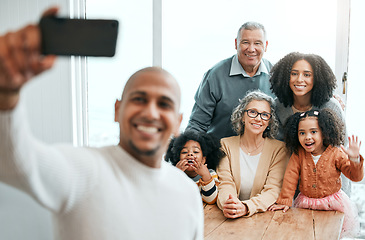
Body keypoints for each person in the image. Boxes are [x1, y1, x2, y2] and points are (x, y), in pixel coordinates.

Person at [0, 8, 203, 240]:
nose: (150, 112)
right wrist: (6, 94)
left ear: (178, 122)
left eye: (164, 104)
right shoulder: (85, 170)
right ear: (117, 110)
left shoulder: (187, 193)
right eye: (139, 99)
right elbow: (17, 163)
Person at [268, 109, 364, 239]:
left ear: (324, 133)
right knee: (305, 234)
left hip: (333, 205)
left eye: (313, 132)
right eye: (302, 133)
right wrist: (284, 201)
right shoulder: (298, 154)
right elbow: (290, 178)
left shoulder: (335, 153)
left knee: (330, 234)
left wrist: (354, 159)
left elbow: (356, 177)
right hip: (306, 204)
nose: (307, 137)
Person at [269, 52, 352, 195]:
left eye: (307, 74)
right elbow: (278, 149)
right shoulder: (278, 107)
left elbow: (342, 151)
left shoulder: (331, 107)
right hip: (290, 184)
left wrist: (342, 195)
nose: (299, 79)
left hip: (328, 190)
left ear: (317, 78)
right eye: (294, 73)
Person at [186, 21, 274, 140]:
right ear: (236, 43)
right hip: (219, 152)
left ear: (266, 45)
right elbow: (198, 124)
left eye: (257, 43)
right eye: (245, 42)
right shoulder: (215, 75)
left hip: (264, 154)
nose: (251, 49)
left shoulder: (276, 76)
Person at [216, 90, 289, 218]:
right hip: (229, 216)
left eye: (265, 114)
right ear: (242, 116)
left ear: (269, 122)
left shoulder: (279, 149)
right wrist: (229, 205)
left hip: (265, 217)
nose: (258, 118)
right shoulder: (224, 145)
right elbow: (225, 183)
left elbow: (273, 190)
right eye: (253, 112)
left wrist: (246, 207)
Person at [165, 130, 225, 204]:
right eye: (184, 152)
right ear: (178, 158)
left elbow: (211, 199)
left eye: (195, 152)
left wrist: (205, 176)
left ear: (203, 159)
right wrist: (177, 174)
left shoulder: (210, 174)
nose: (190, 154)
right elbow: (168, 197)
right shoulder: (172, 174)